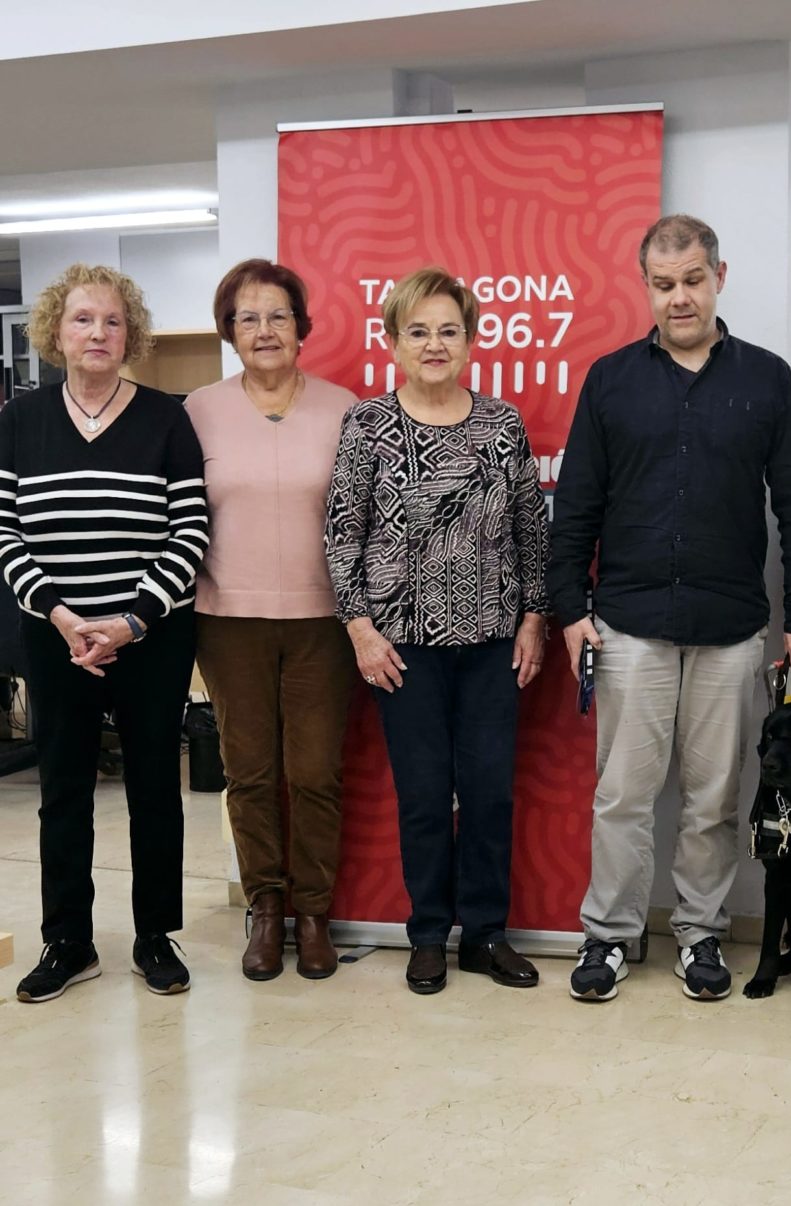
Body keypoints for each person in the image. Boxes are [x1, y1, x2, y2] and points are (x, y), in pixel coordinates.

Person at [549, 213, 791, 1004]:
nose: (680, 298)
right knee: (624, 798)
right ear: (647, 287)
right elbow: (577, 508)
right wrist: (572, 611)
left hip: (732, 628)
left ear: (720, 277)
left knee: (713, 798)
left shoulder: (766, 379)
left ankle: (700, 933)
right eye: (664, 285)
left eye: (693, 280)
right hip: (628, 623)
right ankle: (610, 935)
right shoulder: (610, 380)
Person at [326, 266, 549, 995]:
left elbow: (530, 532)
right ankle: (427, 936)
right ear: (391, 340)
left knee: (488, 793)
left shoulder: (501, 424)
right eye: (417, 331)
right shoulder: (367, 424)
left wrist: (534, 619)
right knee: (424, 795)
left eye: (447, 330)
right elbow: (341, 534)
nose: (433, 344)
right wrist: (359, 630)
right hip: (401, 646)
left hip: (492, 639)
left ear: (472, 339)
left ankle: (484, 935)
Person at [0, 264, 208, 1002]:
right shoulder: (20, 421)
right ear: (56, 331)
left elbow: (190, 532)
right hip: (56, 641)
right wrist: (61, 616)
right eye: (83, 319)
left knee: (156, 787)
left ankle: (156, 937)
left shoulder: (166, 417)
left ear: (131, 336)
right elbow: (6, 533)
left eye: (113, 321)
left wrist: (129, 622)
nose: (98, 333)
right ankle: (69, 942)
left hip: (150, 639)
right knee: (63, 790)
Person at [186, 259, 358, 982]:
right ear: (229, 330)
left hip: (325, 621)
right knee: (250, 773)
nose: (264, 330)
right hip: (227, 619)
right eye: (248, 317)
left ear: (300, 327)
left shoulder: (345, 407)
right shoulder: (196, 410)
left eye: (277, 316)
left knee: (316, 772)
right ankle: (265, 908)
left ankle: (313, 913)